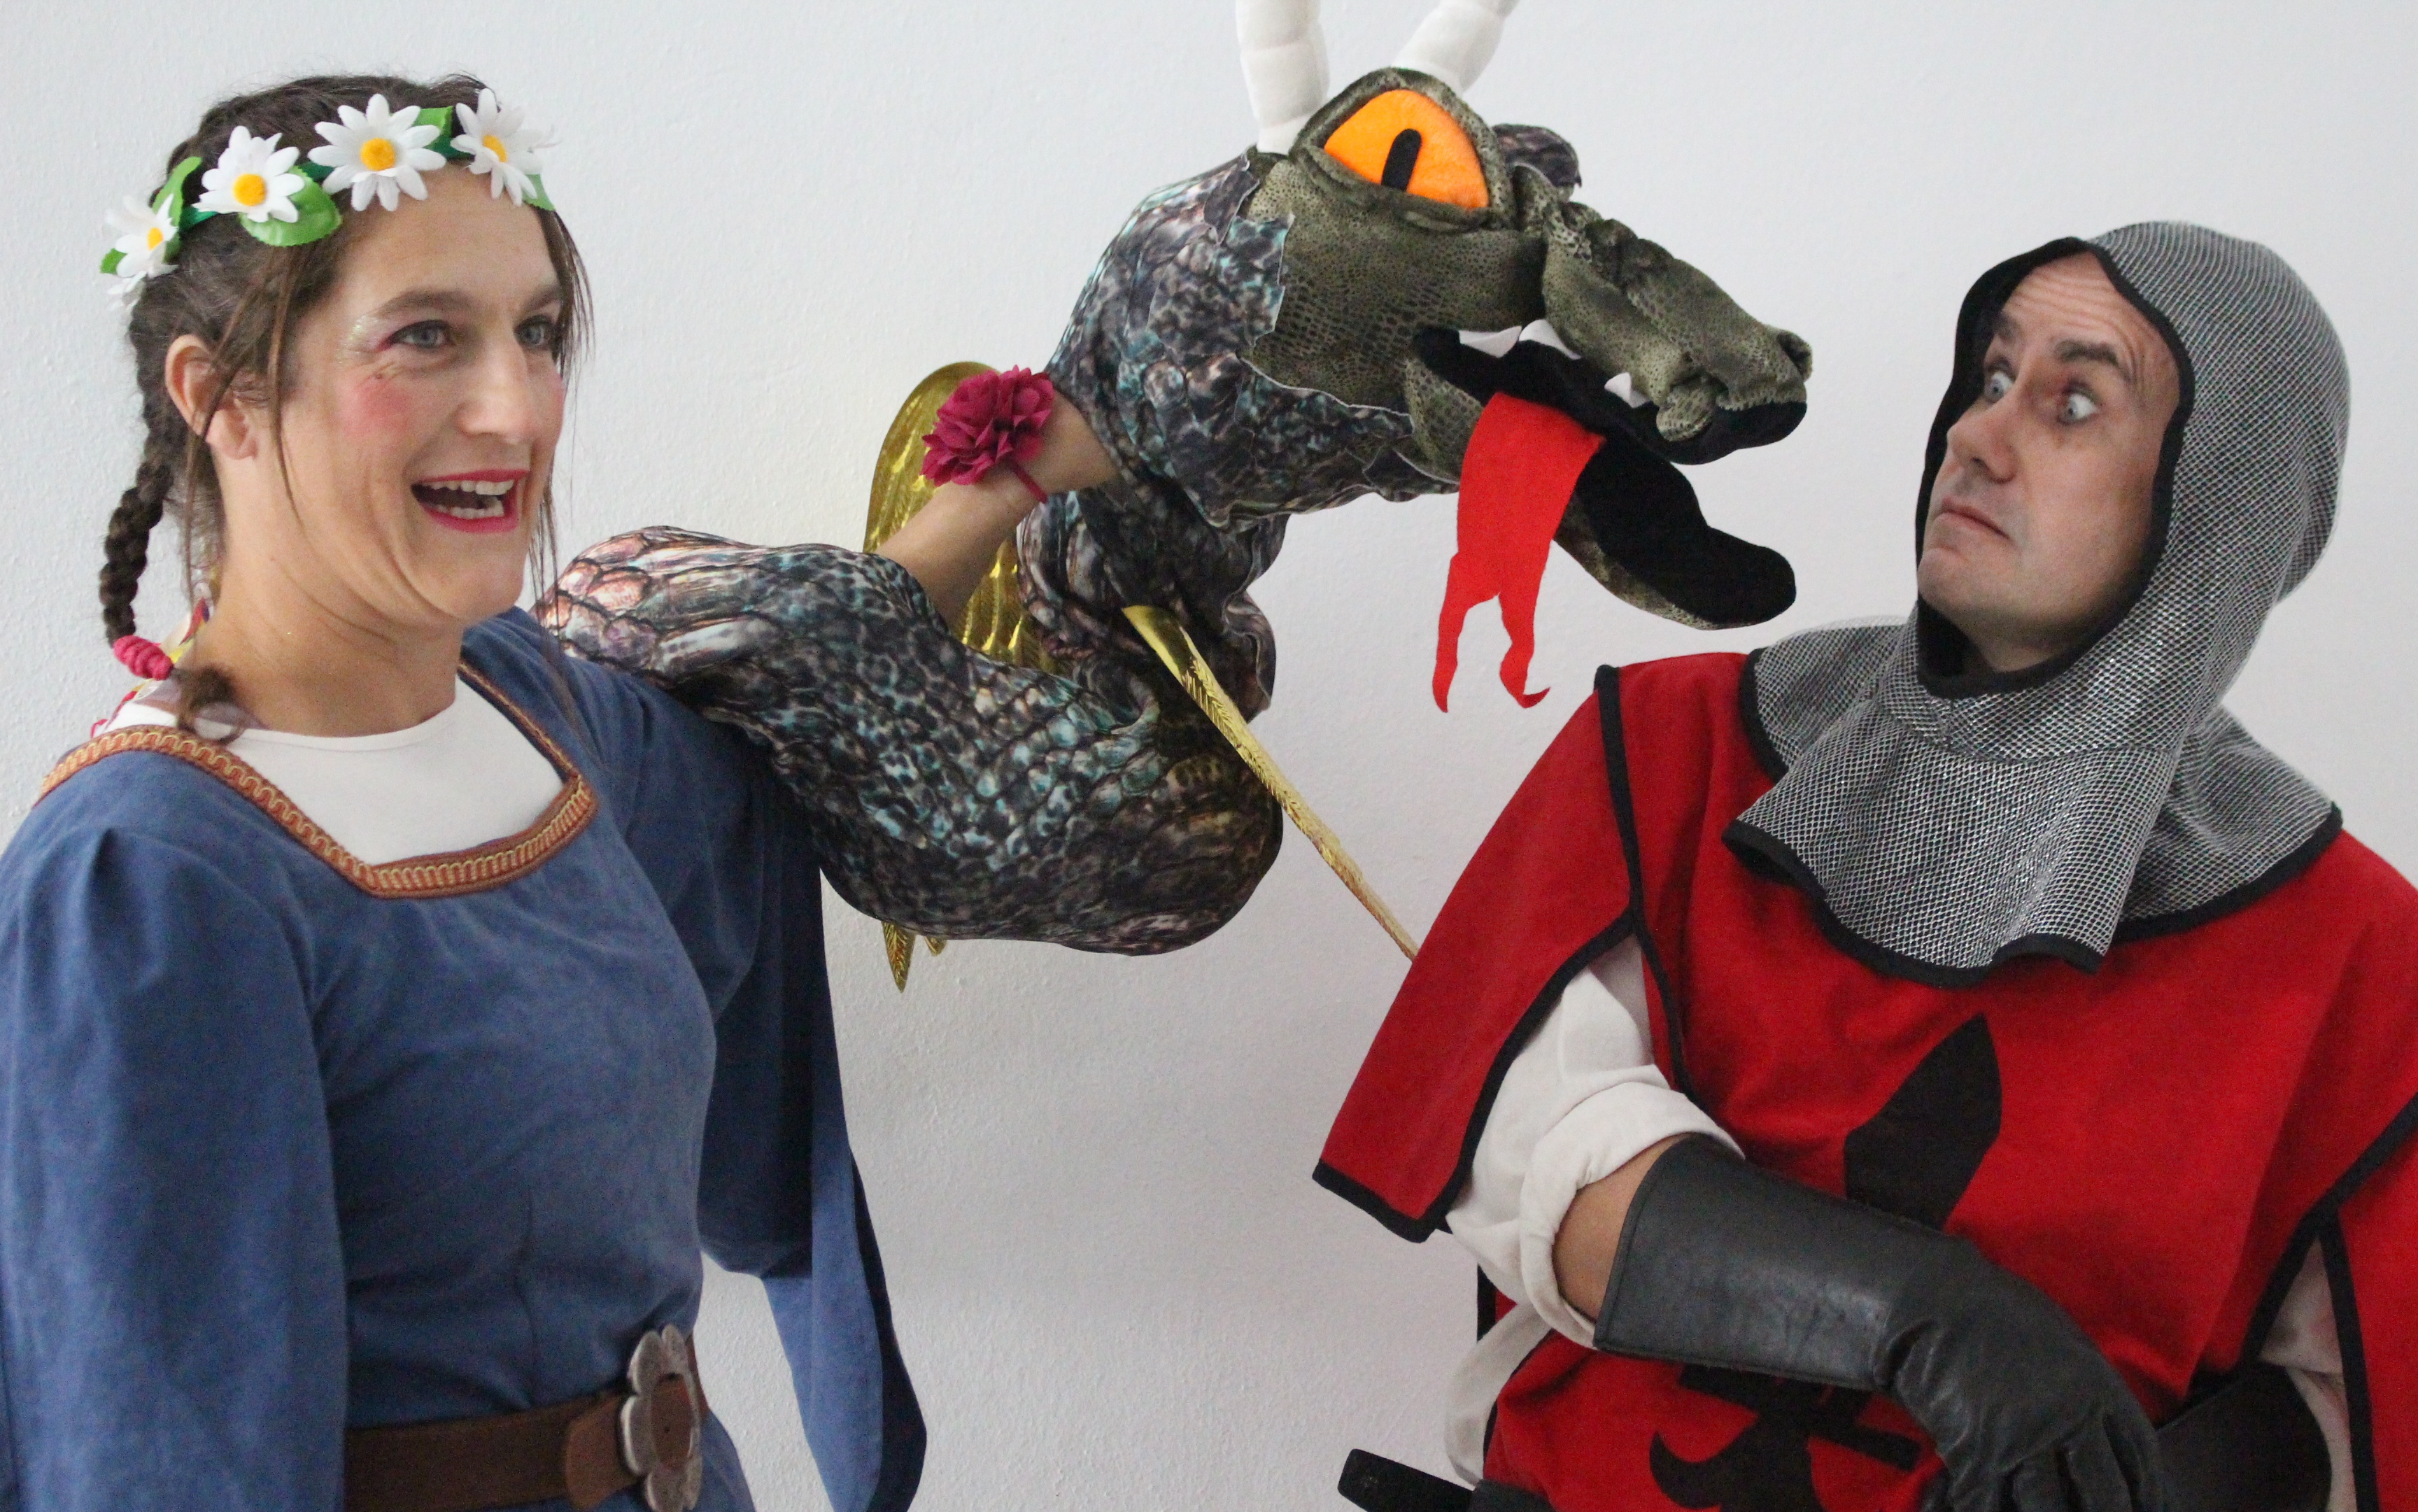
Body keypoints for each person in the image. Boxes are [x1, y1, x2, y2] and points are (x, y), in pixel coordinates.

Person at [0, 73, 1114, 1512]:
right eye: (425, 337)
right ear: (222, 397)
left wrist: (1013, 471)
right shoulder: (148, 879)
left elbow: (784, 715)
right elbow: (154, 1457)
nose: (514, 406)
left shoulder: (535, 705)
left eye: (535, 332)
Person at [1317, 225, 2418, 1512]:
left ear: (2218, 503)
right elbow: (1543, 1168)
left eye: (2073, 402)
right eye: (1991, 376)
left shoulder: (2352, 953)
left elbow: (2348, 1405)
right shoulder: (1677, 750)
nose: (1979, 435)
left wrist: (2113, 1491)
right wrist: (1931, 1316)